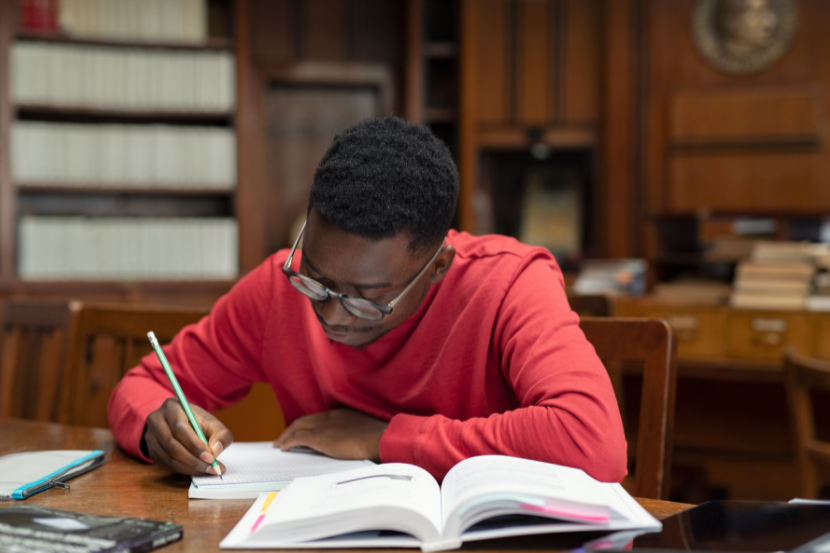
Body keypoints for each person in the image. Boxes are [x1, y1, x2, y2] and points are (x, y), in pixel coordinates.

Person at [107, 116, 627, 483]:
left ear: (437, 267)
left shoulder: (509, 282)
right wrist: (159, 427)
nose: (330, 314)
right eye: (315, 276)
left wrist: (385, 440)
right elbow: (143, 386)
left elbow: (591, 440)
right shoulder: (276, 289)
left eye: (367, 299)